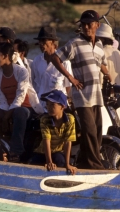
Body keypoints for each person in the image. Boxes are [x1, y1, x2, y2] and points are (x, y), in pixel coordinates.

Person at [48, 9, 111, 170]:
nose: (86, 27)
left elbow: (101, 63)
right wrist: (70, 78)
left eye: (89, 24)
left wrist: (109, 75)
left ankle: (84, 162)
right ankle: (96, 165)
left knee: (97, 131)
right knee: (89, 130)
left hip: (96, 95)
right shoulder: (74, 43)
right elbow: (55, 58)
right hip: (82, 95)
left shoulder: (98, 44)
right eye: (83, 24)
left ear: (97, 25)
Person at [0, 42, 44, 162]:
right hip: (8, 108)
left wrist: (6, 117)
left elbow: (20, 96)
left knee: (19, 112)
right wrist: (5, 114)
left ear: (5, 56)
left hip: (26, 108)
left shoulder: (21, 72)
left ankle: (16, 151)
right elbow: (1, 100)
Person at [30, 90, 76, 173]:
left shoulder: (70, 119)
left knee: (61, 162)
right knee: (34, 163)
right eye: (47, 105)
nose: (49, 107)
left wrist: (67, 163)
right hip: (43, 151)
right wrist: (49, 162)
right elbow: (46, 141)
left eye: (52, 105)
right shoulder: (45, 119)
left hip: (58, 151)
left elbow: (68, 142)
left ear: (62, 106)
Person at [32, 26, 72, 101]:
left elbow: (68, 87)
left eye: (44, 41)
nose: (41, 44)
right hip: (41, 104)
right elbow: (35, 84)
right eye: (40, 41)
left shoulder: (65, 62)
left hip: (58, 104)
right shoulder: (36, 61)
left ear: (52, 42)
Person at [96, 22, 120, 89]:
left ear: (102, 39)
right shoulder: (117, 52)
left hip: (107, 91)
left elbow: (100, 77)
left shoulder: (101, 52)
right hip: (119, 89)